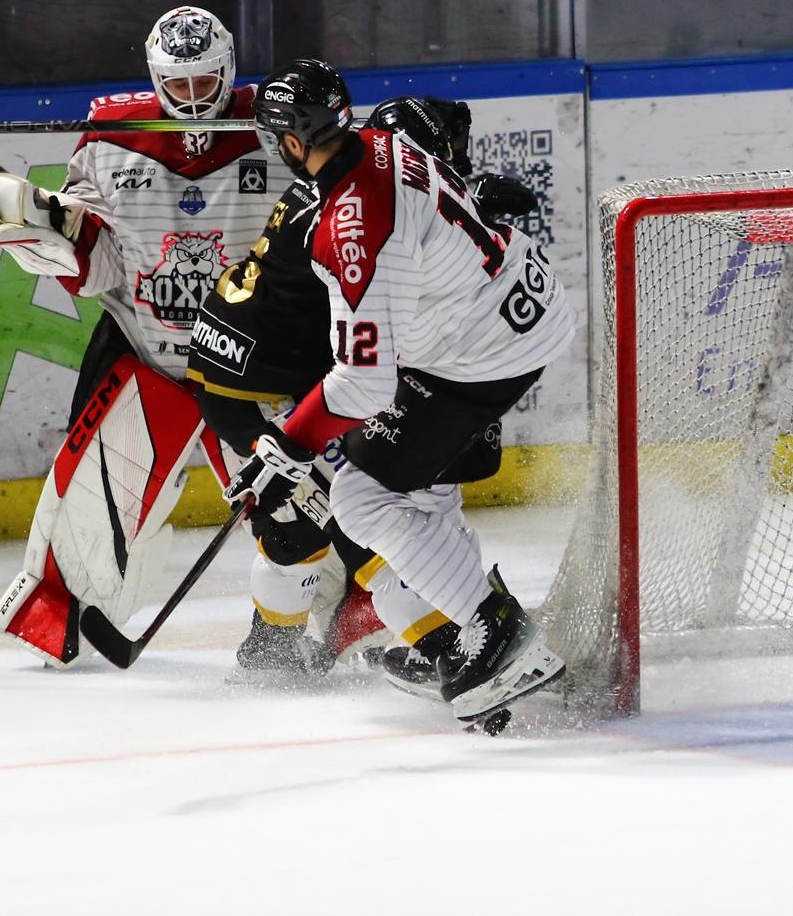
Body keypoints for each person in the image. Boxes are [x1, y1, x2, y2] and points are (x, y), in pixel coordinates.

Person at [0, 6, 307, 669]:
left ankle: (326, 625)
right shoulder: (110, 138)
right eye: (180, 85)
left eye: (206, 81)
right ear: (156, 78)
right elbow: (97, 266)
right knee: (86, 512)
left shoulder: (277, 127)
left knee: (304, 505)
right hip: (150, 355)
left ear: (229, 66)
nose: (195, 99)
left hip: (251, 365)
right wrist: (41, 226)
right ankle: (58, 618)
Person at [224, 59, 576, 725]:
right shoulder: (388, 144)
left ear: (291, 142)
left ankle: (497, 630)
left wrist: (283, 447)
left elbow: (362, 384)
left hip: (483, 351)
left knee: (360, 496)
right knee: (416, 482)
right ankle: (463, 633)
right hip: (514, 306)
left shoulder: (347, 233)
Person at [186, 94, 523, 689]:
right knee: (324, 518)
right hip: (250, 382)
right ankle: (285, 652)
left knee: (371, 506)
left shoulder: (367, 180)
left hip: (293, 369)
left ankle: (447, 639)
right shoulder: (355, 213)